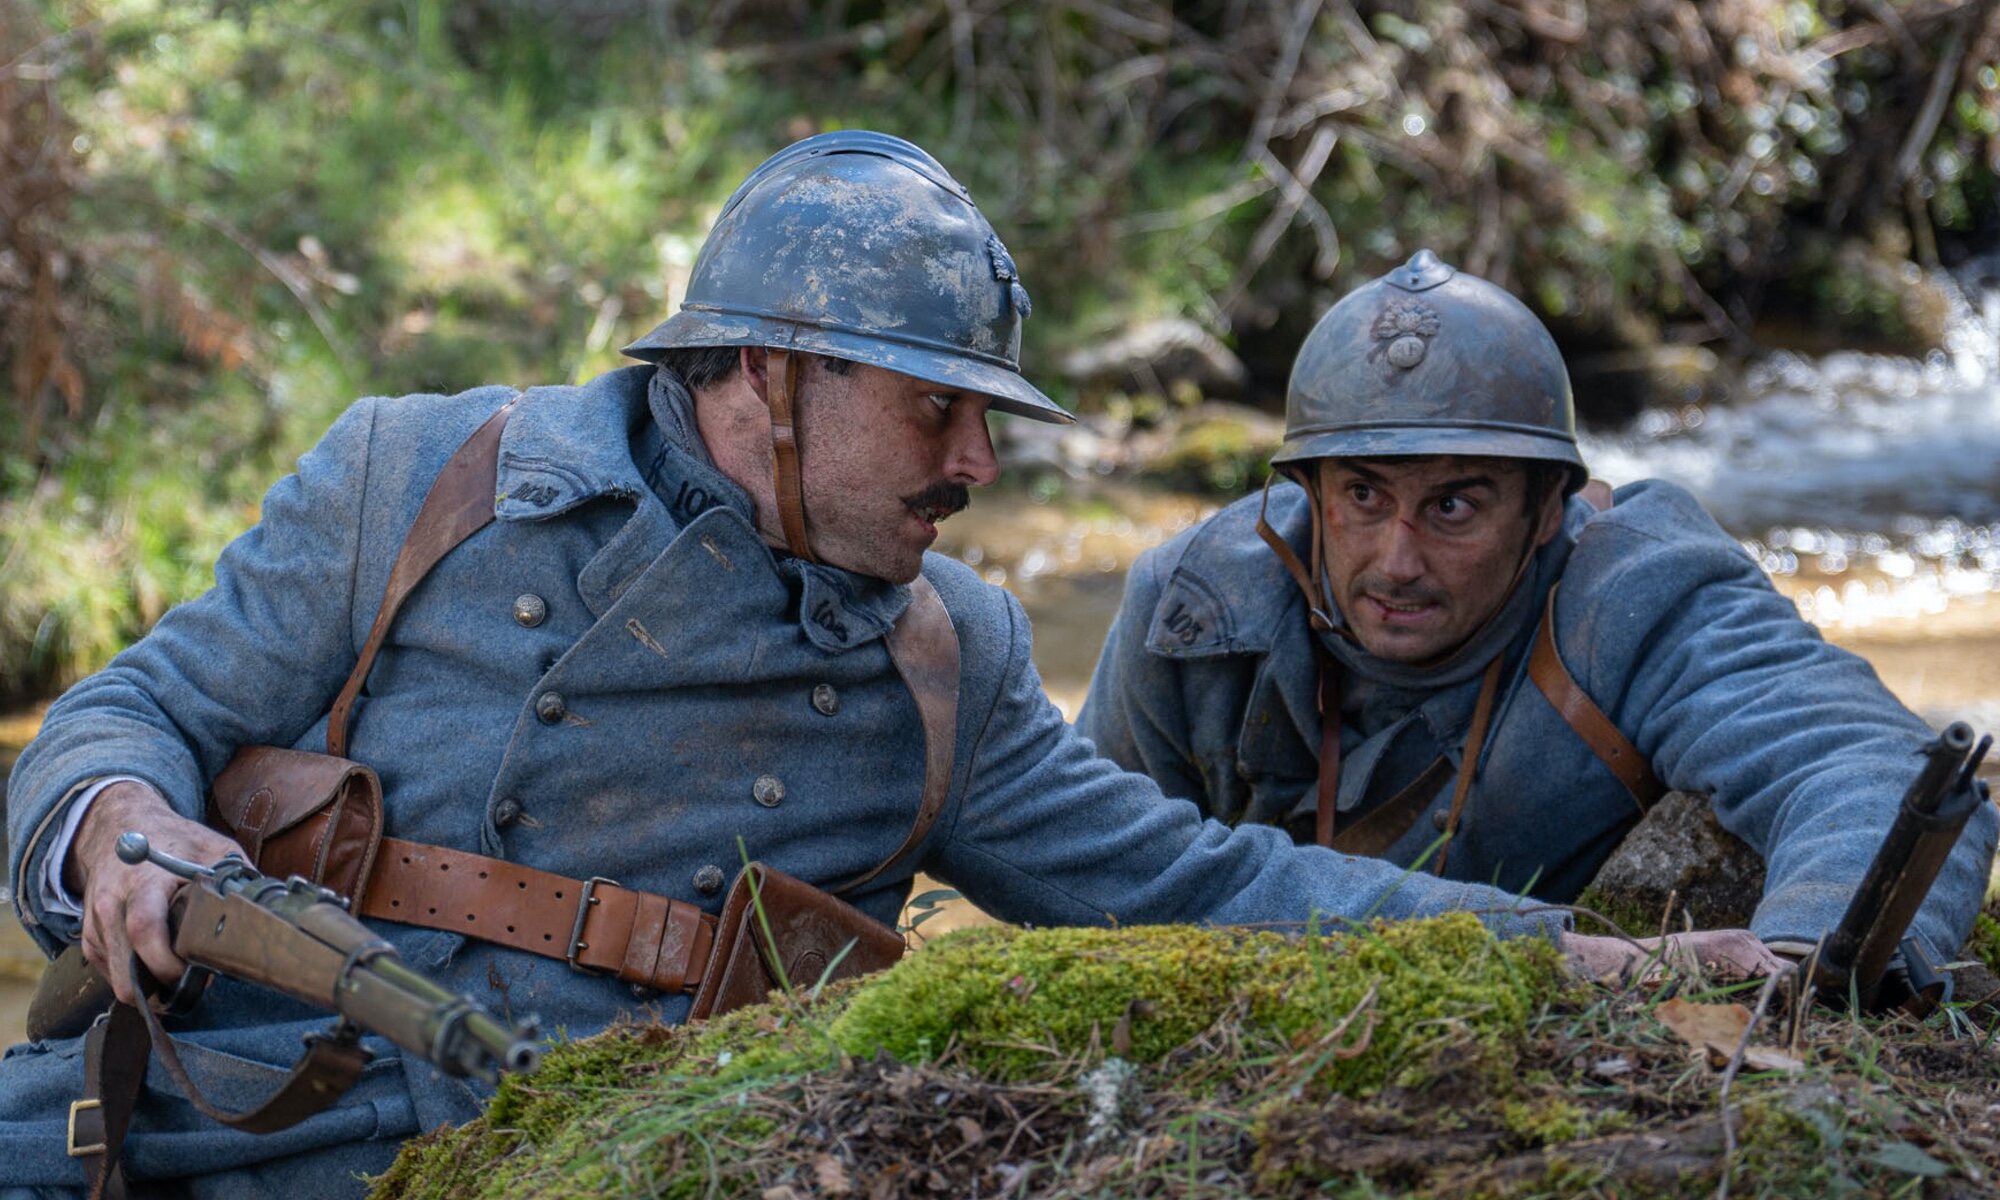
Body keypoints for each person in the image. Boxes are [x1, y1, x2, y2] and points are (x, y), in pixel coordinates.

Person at [2, 137, 1770, 1196]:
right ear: (771, 377)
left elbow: (1211, 888)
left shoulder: (952, 659)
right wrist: (115, 831)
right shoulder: (416, 477)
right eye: (937, 411)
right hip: (196, 1108)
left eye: (987, 419)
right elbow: (125, 714)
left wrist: (1586, 960)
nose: (977, 466)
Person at [1079, 249, 1996, 976]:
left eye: (1453, 506)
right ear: (1309, 492)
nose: (1397, 560)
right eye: (1363, 495)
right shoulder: (1197, 612)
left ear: (1549, 508)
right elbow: (1089, 863)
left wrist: (1813, 958)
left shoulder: (1634, 592)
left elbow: (1865, 767)